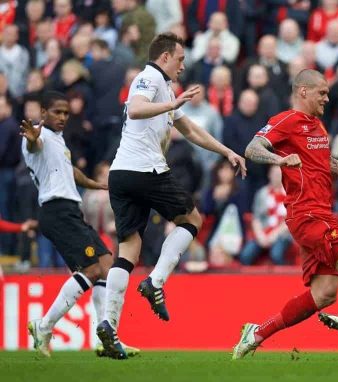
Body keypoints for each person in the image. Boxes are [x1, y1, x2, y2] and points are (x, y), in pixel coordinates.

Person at [233, 69, 338, 359]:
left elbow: (329, 164)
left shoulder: (317, 126)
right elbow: (252, 148)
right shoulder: (286, 121)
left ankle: (258, 332)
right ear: (303, 91)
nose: (327, 98)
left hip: (320, 211)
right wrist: (280, 159)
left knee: (324, 294)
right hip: (307, 213)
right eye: (322, 92)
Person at [98, 33, 246, 360]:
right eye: (179, 59)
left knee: (129, 248)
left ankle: (109, 325)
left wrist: (226, 151)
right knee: (192, 218)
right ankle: (156, 281)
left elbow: (190, 130)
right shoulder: (149, 78)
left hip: (121, 174)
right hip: (144, 169)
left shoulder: (164, 87)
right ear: (165, 57)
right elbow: (136, 109)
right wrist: (172, 104)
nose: (182, 65)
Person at [21, 91, 138, 358]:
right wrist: (32, 140)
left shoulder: (58, 141)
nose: (62, 117)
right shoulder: (37, 136)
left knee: (107, 264)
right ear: (42, 112)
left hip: (69, 209)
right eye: (56, 112)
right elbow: (33, 147)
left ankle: (103, 336)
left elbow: (69, 170)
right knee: (93, 268)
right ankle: (44, 326)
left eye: (65, 113)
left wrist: (95, 183)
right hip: (56, 209)